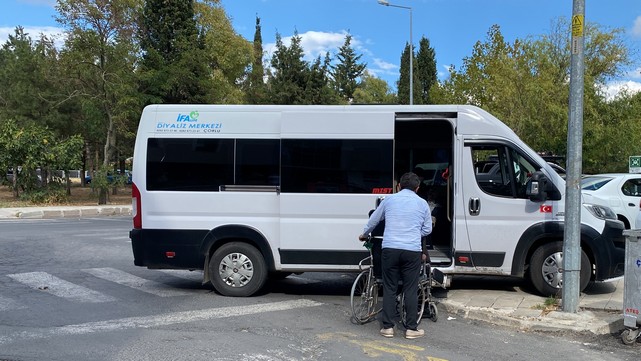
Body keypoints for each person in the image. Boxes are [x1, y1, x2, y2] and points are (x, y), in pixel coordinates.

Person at [358, 172, 432, 339]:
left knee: (390, 287)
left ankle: (388, 328)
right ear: (417, 188)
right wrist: (413, 233)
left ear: (398, 186)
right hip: (412, 250)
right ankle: (411, 329)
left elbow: (374, 220)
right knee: (410, 288)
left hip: (390, 249)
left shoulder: (389, 200)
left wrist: (364, 234)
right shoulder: (422, 204)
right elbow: (427, 229)